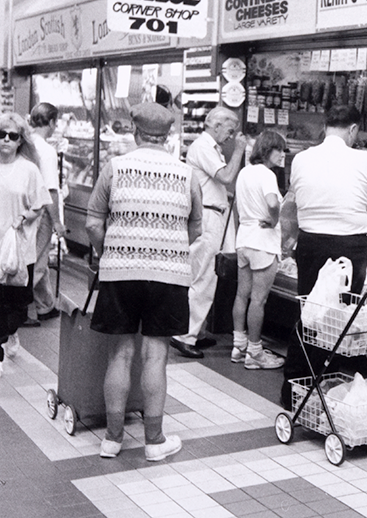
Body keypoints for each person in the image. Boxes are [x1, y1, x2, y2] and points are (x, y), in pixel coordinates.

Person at [86, 102, 202, 462]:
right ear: (167, 137)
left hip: (120, 273)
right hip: (168, 276)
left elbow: (92, 223)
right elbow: (196, 228)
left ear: (136, 133)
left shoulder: (115, 168)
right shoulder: (186, 173)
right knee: (156, 356)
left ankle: (112, 439)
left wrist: (112, 251)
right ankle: (154, 442)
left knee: (119, 355)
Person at [279, 104, 367, 407]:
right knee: (339, 318)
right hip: (351, 247)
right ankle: (330, 382)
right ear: (353, 130)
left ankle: (294, 387)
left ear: (326, 127)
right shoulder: (364, 159)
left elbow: (295, 198)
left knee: (310, 313)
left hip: (310, 245)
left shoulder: (301, 158)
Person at [0, 112, 50, 384]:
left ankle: (12, 330)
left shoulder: (29, 169)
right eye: (1, 134)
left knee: (16, 304)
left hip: (19, 249)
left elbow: (39, 205)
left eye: (13, 136)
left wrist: (27, 216)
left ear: (20, 140)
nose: (6, 140)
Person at [171, 107, 247, 359]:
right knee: (203, 276)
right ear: (215, 125)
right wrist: (238, 151)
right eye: (229, 129)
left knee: (207, 275)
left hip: (214, 213)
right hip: (207, 217)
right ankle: (185, 335)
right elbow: (225, 176)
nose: (231, 135)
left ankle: (196, 331)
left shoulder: (210, 148)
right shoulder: (203, 147)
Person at [231, 130, 287, 370]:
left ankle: (238, 345)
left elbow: (235, 206)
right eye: (279, 150)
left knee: (241, 294)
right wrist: (274, 221)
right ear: (267, 150)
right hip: (263, 243)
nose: (282, 155)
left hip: (244, 239)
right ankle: (255, 352)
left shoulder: (244, 172)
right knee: (259, 300)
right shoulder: (266, 174)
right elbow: (273, 203)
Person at [23, 102, 65, 326]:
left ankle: (45, 305)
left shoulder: (26, 143)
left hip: (24, 209)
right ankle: (19, 309)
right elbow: (50, 189)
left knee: (36, 259)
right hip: (41, 213)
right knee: (37, 262)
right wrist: (57, 221)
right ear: (50, 122)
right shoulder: (47, 151)